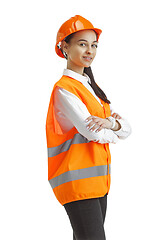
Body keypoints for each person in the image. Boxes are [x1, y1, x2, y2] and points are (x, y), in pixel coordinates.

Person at [46, 15, 132, 240]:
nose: (90, 51)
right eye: (82, 44)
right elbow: (91, 131)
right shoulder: (64, 89)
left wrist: (112, 124)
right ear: (65, 46)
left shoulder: (92, 89)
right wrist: (114, 132)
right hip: (76, 182)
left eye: (94, 45)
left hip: (98, 181)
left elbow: (126, 129)